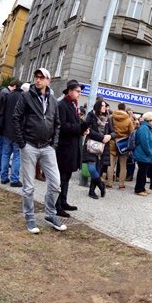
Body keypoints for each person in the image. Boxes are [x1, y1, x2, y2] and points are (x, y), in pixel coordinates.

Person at [12, 68, 65, 234]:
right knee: (28, 187)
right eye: (36, 77)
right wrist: (22, 143)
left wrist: (54, 145)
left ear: (48, 80)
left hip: (47, 147)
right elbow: (16, 118)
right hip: (29, 145)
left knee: (56, 184)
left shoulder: (53, 100)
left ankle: (50, 214)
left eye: (42, 77)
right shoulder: (26, 96)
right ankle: (30, 217)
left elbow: (57, 123)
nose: (38, 80)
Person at [56, 79, 90, 215]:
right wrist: (79, 127)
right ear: (69, 91)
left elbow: (74, 126)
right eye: (77, 91)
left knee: (67, 176)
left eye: (80, 92)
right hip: (64, 148)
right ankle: (56, 205)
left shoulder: (73, 105)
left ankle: (63, 201)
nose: (79, 94)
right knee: (61, 178)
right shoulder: (62, 105)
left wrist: (83, 129)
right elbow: (63, 126)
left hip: (72, 147)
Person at [83, 99, 112, 199]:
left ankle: (91, 191)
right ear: (98, 106)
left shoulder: (108, 118)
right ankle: (101, 185)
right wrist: (102, 137)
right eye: (103, 106)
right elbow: (88, 129)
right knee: (91, 168)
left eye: (105, 106)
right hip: (91, 145)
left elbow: (113, 132)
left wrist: (110, 136)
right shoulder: (91, 115)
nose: (105, 107)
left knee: (98, 169)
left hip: (103, 147)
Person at [0, 80, 25, 187]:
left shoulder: (9, 96)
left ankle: (3, 177)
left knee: (5, 154)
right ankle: (14, 179)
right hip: (17, 131)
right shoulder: (23, 98)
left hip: (7, 129)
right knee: (17, 156)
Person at [108, 102, 134, 189]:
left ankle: (109, 183)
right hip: (123, 144)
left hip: (112, 142)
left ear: (118, 108)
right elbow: (132, 133)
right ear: (124, 109)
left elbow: (108, 130)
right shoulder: (128, 120)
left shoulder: (111, 117)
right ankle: (121, 184)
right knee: (123, 165)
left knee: (111, 164)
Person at [133, 112, 152, 197]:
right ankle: (138, 189)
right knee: (142, 172)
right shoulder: (144, 128)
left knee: (143, 172)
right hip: (143, 153)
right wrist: (149, 152)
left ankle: (142, 187)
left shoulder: (147, 127)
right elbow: (144, 142)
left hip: (144, 154)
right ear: (149, 120)